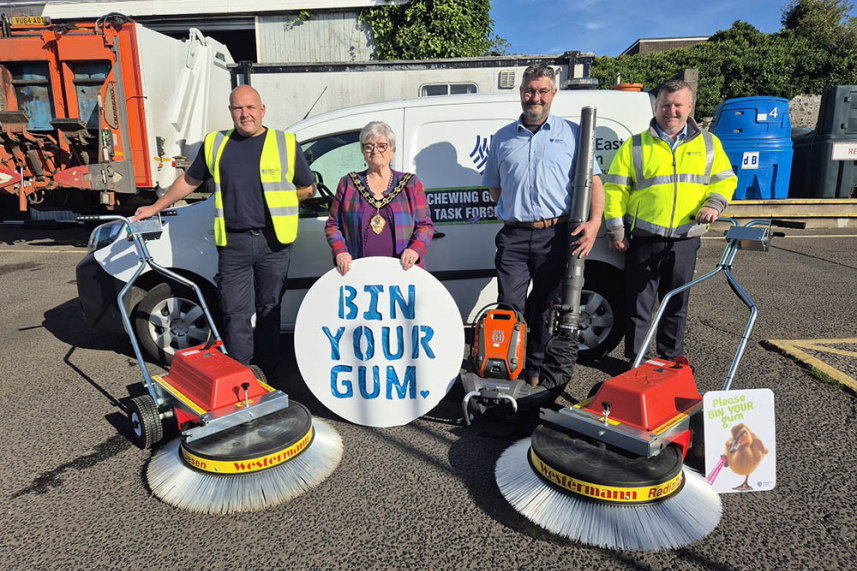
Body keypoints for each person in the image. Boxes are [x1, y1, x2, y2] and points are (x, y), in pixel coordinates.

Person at [133, 85, 315, 376]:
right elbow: (189, 181)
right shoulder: (216, 143)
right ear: (231, 112)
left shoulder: (285, 143)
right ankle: (241, 375)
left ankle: (270, 373)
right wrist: (156, 206)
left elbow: (307, 188)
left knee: (270, 310)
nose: (245, 114)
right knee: (235, 313)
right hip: (233, 243)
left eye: (251, 108)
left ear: (262, 110)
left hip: (274, 243)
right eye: (239, 108)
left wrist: (283, 197)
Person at [482, 64, 604, 387]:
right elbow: (495, 187)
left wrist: (594, 223)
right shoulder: (502, 138)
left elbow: (594, 182)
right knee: (509, 306)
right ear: (520, 93)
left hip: (555, 235)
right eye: (529, 91)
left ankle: (535, 372)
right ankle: (510, 370)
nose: (534, 97)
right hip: (514, 236)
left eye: (542, 91)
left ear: (553, 94)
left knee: (546, 308)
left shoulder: (574, 135)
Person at [603, 79, 737, 363]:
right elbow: (615, 189)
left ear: (690, 107)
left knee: (676, 302)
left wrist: (714, 203)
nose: (671, 111)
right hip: (644, 237)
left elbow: (724, 180)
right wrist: (616, 230)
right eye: (665, 104)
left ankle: (670, 360)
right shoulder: (635, 144)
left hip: (686, 238)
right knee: (639, 305)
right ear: (656, 106)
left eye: (678, 105)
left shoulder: (709, 144)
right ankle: (636, 362)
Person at [324, 121, 434, 275]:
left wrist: (414, 250)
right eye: (369, 146)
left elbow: (425, 225)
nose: (375, 151)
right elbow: (332, 226)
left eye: (382, 145)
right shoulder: (348, 184)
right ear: (363, 151)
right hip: (358, 272)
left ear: (392, 151)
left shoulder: (410, 184)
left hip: (404, 272)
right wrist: (340, 251)